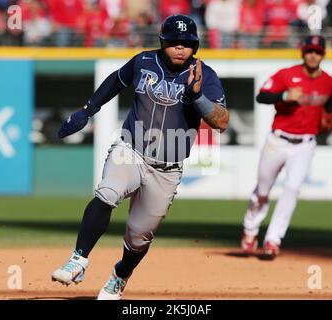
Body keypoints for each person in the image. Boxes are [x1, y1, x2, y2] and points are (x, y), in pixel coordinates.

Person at [51, 14, 229, 300]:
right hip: (131, 150)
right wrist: (87, 110)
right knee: (107, 193)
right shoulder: (144, 61)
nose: (180, 47)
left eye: (186, 43)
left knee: (138, 237)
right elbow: (115, 81)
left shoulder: (204, 75)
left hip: (167, 168)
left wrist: (199, 97)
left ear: (195, 46)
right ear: (162, 42)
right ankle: (79, 259)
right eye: (173, 42)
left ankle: (119, 276)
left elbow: (221, 121)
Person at [240, 35, 332, 259]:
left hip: (305, 144)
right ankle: (250, 228)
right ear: (303, 52)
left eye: (317, 51)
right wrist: (284, 95)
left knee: (292, 189)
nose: (313, 55)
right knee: (262, 192)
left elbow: (330, 110)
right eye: (309, 51)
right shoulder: (286, 75)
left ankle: (273, 240)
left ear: (323, 54)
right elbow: (261, 96)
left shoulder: (330, 82)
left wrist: (329, 122)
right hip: (278, 140)